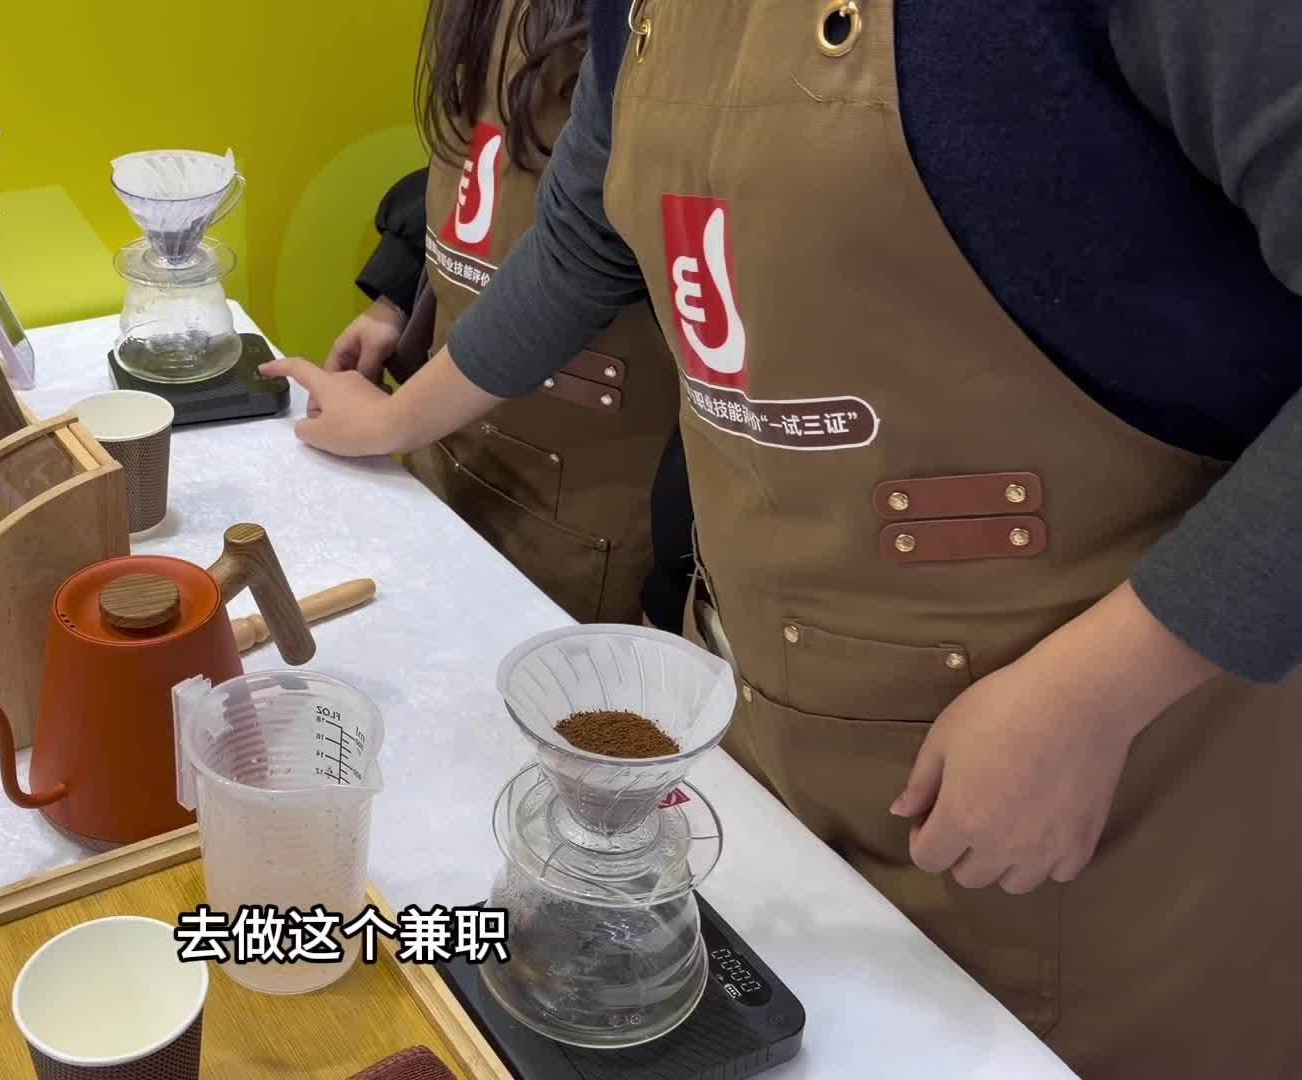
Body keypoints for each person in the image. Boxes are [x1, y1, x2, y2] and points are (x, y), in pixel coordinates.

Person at [263, 1, 1302, 1076]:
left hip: (1112, 775)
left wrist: (1099, 694)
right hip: (777, 721)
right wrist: (401, 415)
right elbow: (583, 233)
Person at [328, 0, 692, 628]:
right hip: (448, 431)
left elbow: (586, 240)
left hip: (587, 468)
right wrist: (403, 289)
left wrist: (390, 421)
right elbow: (482, 158)